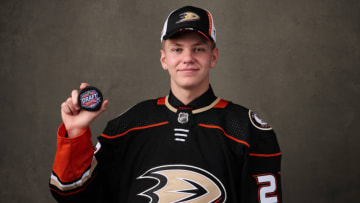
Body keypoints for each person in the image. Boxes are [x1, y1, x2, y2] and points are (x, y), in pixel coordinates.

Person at [49, 6, 282, 203]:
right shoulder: (128, 126)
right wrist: (76, 134)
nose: (187, 58)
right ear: (164, 59)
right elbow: (70, 194)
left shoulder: (247, 130)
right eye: (177, 49)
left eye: (198, 49)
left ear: (213, 57)